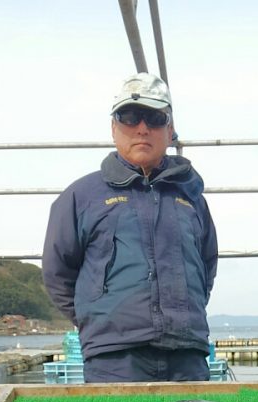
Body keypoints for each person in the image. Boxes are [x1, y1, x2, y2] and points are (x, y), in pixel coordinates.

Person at [42, 72, 218, 383]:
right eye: (130, 116)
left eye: (154, 117)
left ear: (170, 130)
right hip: (113, 359)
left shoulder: (192, 199)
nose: (142, 128)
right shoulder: (79, 197)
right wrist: (99, 319)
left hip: (187, 354)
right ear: (114, 128)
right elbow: (58, 274)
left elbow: (206, 267)